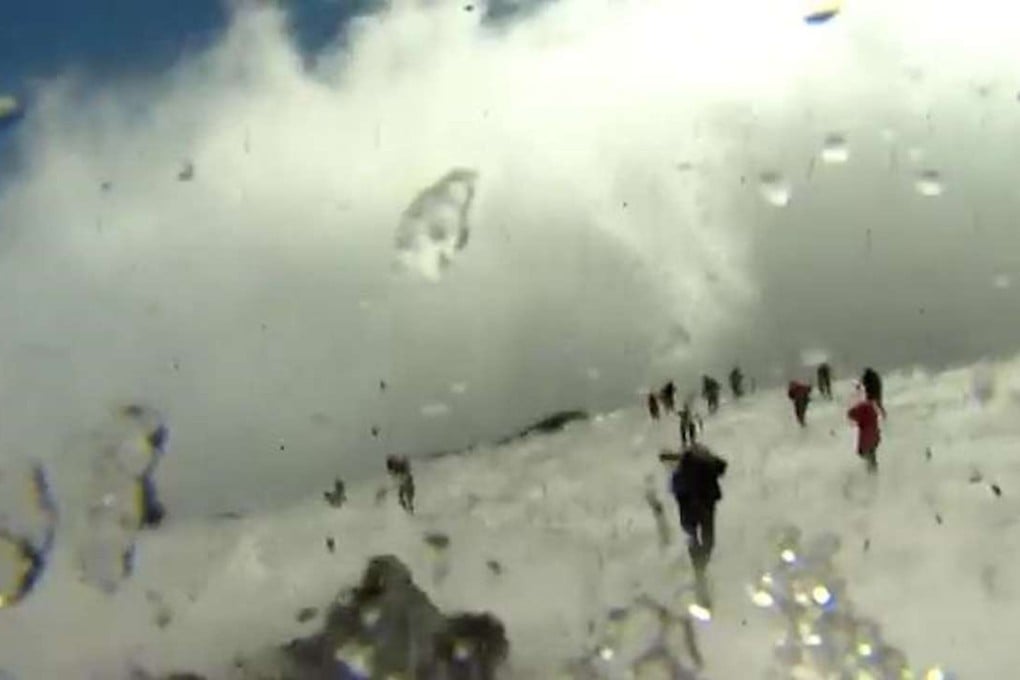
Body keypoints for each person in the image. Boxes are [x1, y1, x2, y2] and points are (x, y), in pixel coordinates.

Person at [661, 442, 728, 574]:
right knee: (707, 540)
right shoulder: (707, 462)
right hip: (705, 506)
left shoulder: (683, 470)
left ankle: (698, 561)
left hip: (691, 508)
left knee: (693, 535)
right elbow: (722, 467)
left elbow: (675, 490)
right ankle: (701, 562)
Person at [848, 397, 881, 472]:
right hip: (874, 437)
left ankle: (871, 472)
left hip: (865, 440)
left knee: (865, 454)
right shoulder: (871, 410)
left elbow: (850, 414)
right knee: (871, 454)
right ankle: (873, 471)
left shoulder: (861, 410)